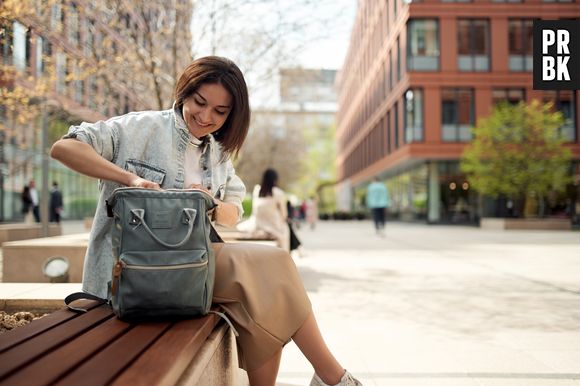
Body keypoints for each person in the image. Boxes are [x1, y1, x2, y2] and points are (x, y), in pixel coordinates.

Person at [50, 56, 362, 386]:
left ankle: (330, 377)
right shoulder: (138, 128)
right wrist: (132, 180)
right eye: (199, 102)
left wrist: (211, 203)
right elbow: (64, 148)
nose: (205, 117)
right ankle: (334, 377)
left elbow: (233, 212)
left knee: (270, 289)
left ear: (231, 115)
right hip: (133, 275)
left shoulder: (218, 154)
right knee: (273, 271)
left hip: (192, 271)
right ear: (184, 92)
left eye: (220, 112)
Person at [253, 168, 290, 251]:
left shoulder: (257, 190)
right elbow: (284, 215)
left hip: (258, 225)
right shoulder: (278, 193)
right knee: (286, 229)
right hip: (273, 228)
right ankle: (285, 255)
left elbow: (254, 211)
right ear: (275, 179)